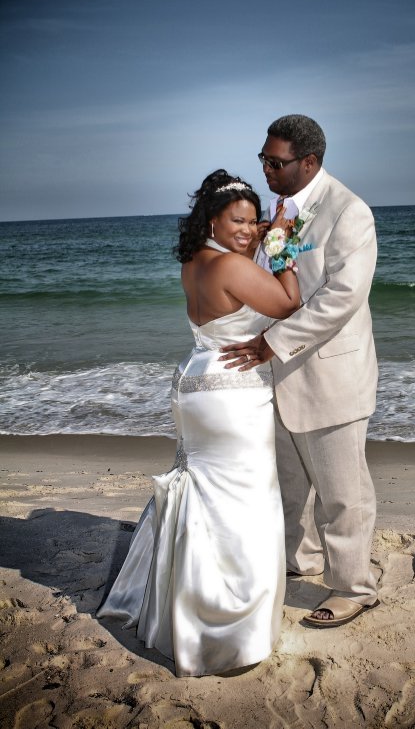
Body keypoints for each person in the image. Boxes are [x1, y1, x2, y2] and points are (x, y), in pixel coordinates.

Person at [97, 169, 301, 677]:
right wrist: (283, 246)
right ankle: (228, 627)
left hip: (194, 383)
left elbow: (238, 282)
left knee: (206, 495)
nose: (250, 229)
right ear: (214, 218)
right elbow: (288, 301)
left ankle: (183, 611)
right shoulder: (233, 266)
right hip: (233, 396)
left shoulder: (195, 261)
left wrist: (260, 239)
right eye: (240, 219)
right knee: (244, 503)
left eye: (256, 222)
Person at [221, 114, 380, 628]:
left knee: (342, 491)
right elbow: (277, 278)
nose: (265, 168)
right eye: (264, 158)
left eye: (276, 161)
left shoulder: (349, 212)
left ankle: (354, 587)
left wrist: (272, 343)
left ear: (308, 163)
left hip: (331, 375)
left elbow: (343, 298)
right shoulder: (281, 210)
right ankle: (301, 561)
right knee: (290, 486)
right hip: (278, 380)